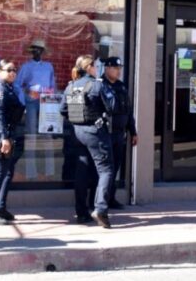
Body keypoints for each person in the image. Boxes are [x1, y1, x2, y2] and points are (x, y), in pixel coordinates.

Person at [60, 54, 115, 228]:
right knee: (106, 170)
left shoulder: (71, 86)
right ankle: (101, 209)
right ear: (89, 67)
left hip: (77, 132)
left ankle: (81, 212)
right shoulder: (97, 84)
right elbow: (112, 106)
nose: (97, 68)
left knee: (81, 171)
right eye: (95, 65)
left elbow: (63, 110)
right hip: (94, 131)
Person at [0, 59, 25, 225]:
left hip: (9, 133)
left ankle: (0, 208)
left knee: (7, 173)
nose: (12, 73)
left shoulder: (9, 87)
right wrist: (4, 138)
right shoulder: (0, 88)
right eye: (9, 70)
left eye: (14, 70)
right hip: (2, 134)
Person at [14, 39, 56, 180]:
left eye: (40, 49)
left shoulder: (49, 66)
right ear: (32, 51)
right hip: (32, 102)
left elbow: (53, 85)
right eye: (35, 49)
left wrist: (52, 98)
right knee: (31, 136)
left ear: (43, 51)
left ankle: (50, 172)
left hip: (46, 102)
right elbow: (18, 85)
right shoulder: (26, 67)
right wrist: (26, 95)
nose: (37, 52)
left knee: (48, 135)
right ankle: (31, 172)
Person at [101, 57, 137, 209]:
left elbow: (128, 111)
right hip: (105, 133)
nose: (118, 71)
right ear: (107, 68)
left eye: (120, 68)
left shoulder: (121, 86)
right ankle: (99, 200)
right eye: (115, 68)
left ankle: (110, 198)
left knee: (115, 167)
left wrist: (133, 131)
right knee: (105, 168)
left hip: (119, 134)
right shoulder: (100, 85)